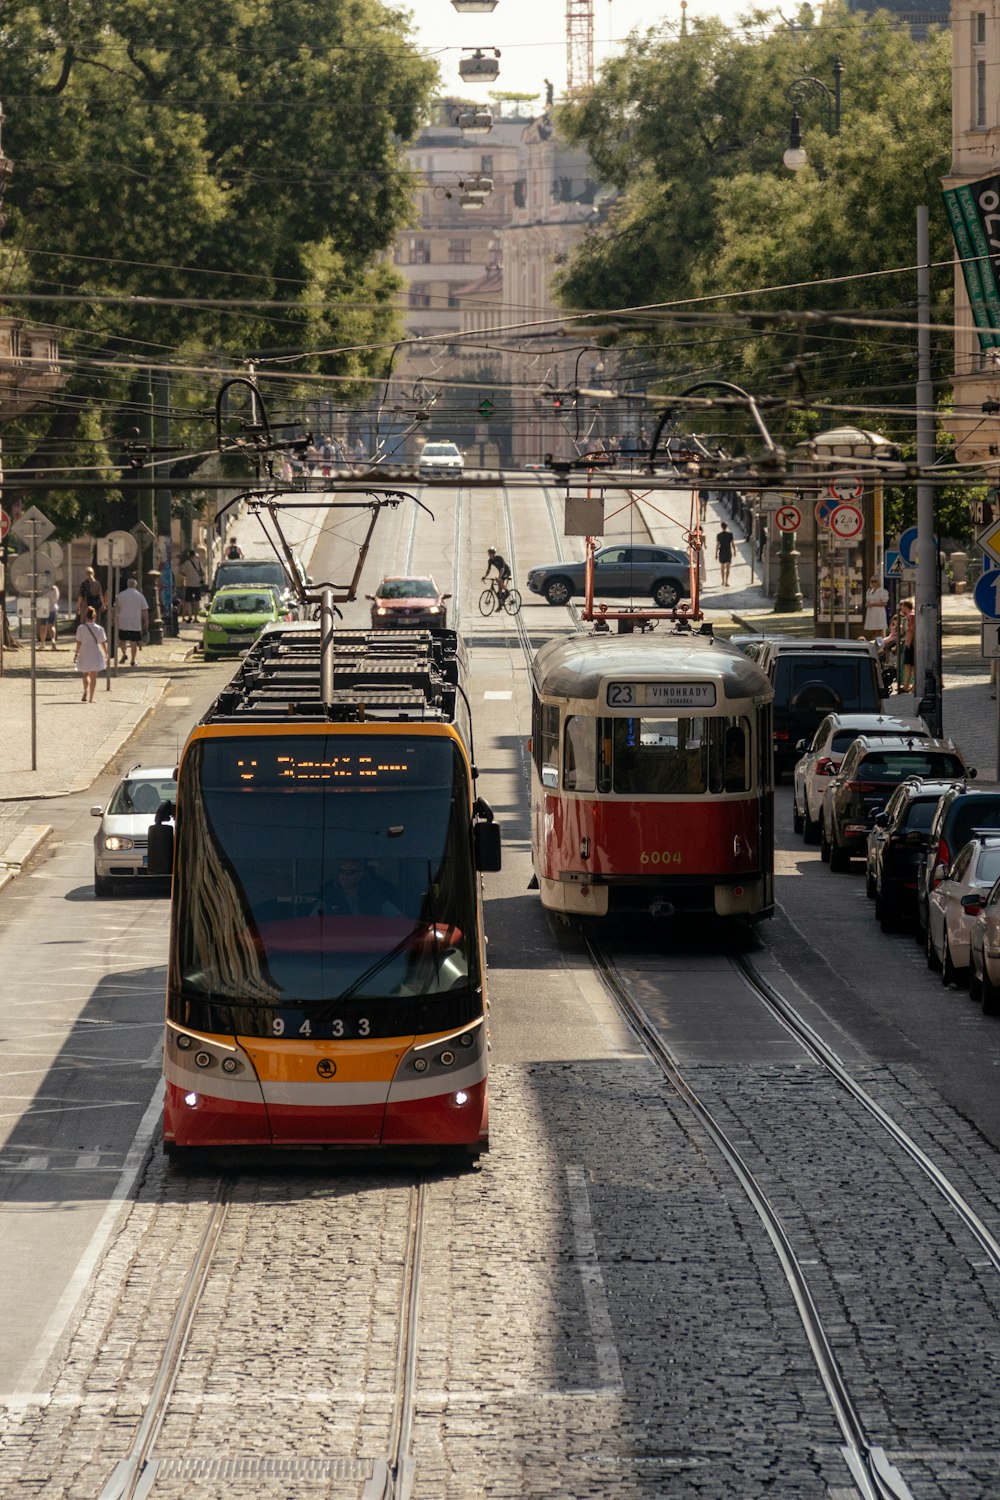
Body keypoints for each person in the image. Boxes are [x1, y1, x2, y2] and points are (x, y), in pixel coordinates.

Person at [319, 860, 400, 917]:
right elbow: (314, 924)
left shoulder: (375, 900)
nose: (344, 876)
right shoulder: (327, 901)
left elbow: (399, 919)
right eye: (341, 872)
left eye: (350, 873)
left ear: (360, 874)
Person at [73, 605, 108, 702]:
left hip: (84, 652)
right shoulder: (99, 629)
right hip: (95, 653)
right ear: (95, 617)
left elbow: (78, 642)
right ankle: (91, 698)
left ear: (85, 616)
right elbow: (103, 643)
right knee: (94, 676)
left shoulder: (80, 628)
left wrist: (76, 653)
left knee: (85, 674)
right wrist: (106, 653)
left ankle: (85, 691)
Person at [115, 576, 149, 666]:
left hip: (123, 621)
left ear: (127, 585)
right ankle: (133, 660)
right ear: (136, 585)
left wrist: (115, 620)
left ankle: (124, 654)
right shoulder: (140, 596)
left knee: (122, 640)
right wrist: (146, 622)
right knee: (133, 642)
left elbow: (116, 608)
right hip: (135, 622)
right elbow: (144, 610)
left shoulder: (121, 595)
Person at [178, 549, 204, 621]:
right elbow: (203, 572)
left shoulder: (186, 563)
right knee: (197, 601)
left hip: (189, 584)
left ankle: (190, 615)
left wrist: (188, 575)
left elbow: (182, 572)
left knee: (188, 601)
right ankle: (196, 617)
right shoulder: (198, 562)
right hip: (197, 584)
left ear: (189, 556)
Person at [863, 573, 890, 641]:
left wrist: (873, 604)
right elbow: (868, 600)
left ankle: (881, 644)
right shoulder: (869, 591)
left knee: (880, 628)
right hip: (871, 612)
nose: (873, 583)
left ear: (878, 582)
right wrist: (867, 604)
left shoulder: (883, 591)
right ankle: (874, 641)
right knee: (873, 629)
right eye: (872, 581)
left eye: (875, 581)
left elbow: (884, 603)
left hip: (879, 612)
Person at [38, 581, 60, 649]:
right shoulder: (54, 588)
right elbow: (57, 598)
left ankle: (42, 643)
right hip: (52, 608)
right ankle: (53, 640)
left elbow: (39, 597)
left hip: (43, 608)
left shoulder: (42, 588)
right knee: (52, 625)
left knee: (43, 626)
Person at [715, 522, 734, 586]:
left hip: (722, 552)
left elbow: (717, 545)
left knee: (722, 567)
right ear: (726, 526)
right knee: (728, 567)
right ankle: (727, 581)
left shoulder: (719, 535)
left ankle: (723, 581)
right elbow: (732, 543)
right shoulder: (730, 534)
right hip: (728, 551)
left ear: (721, 526)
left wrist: (716, 553)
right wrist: (734, 551)